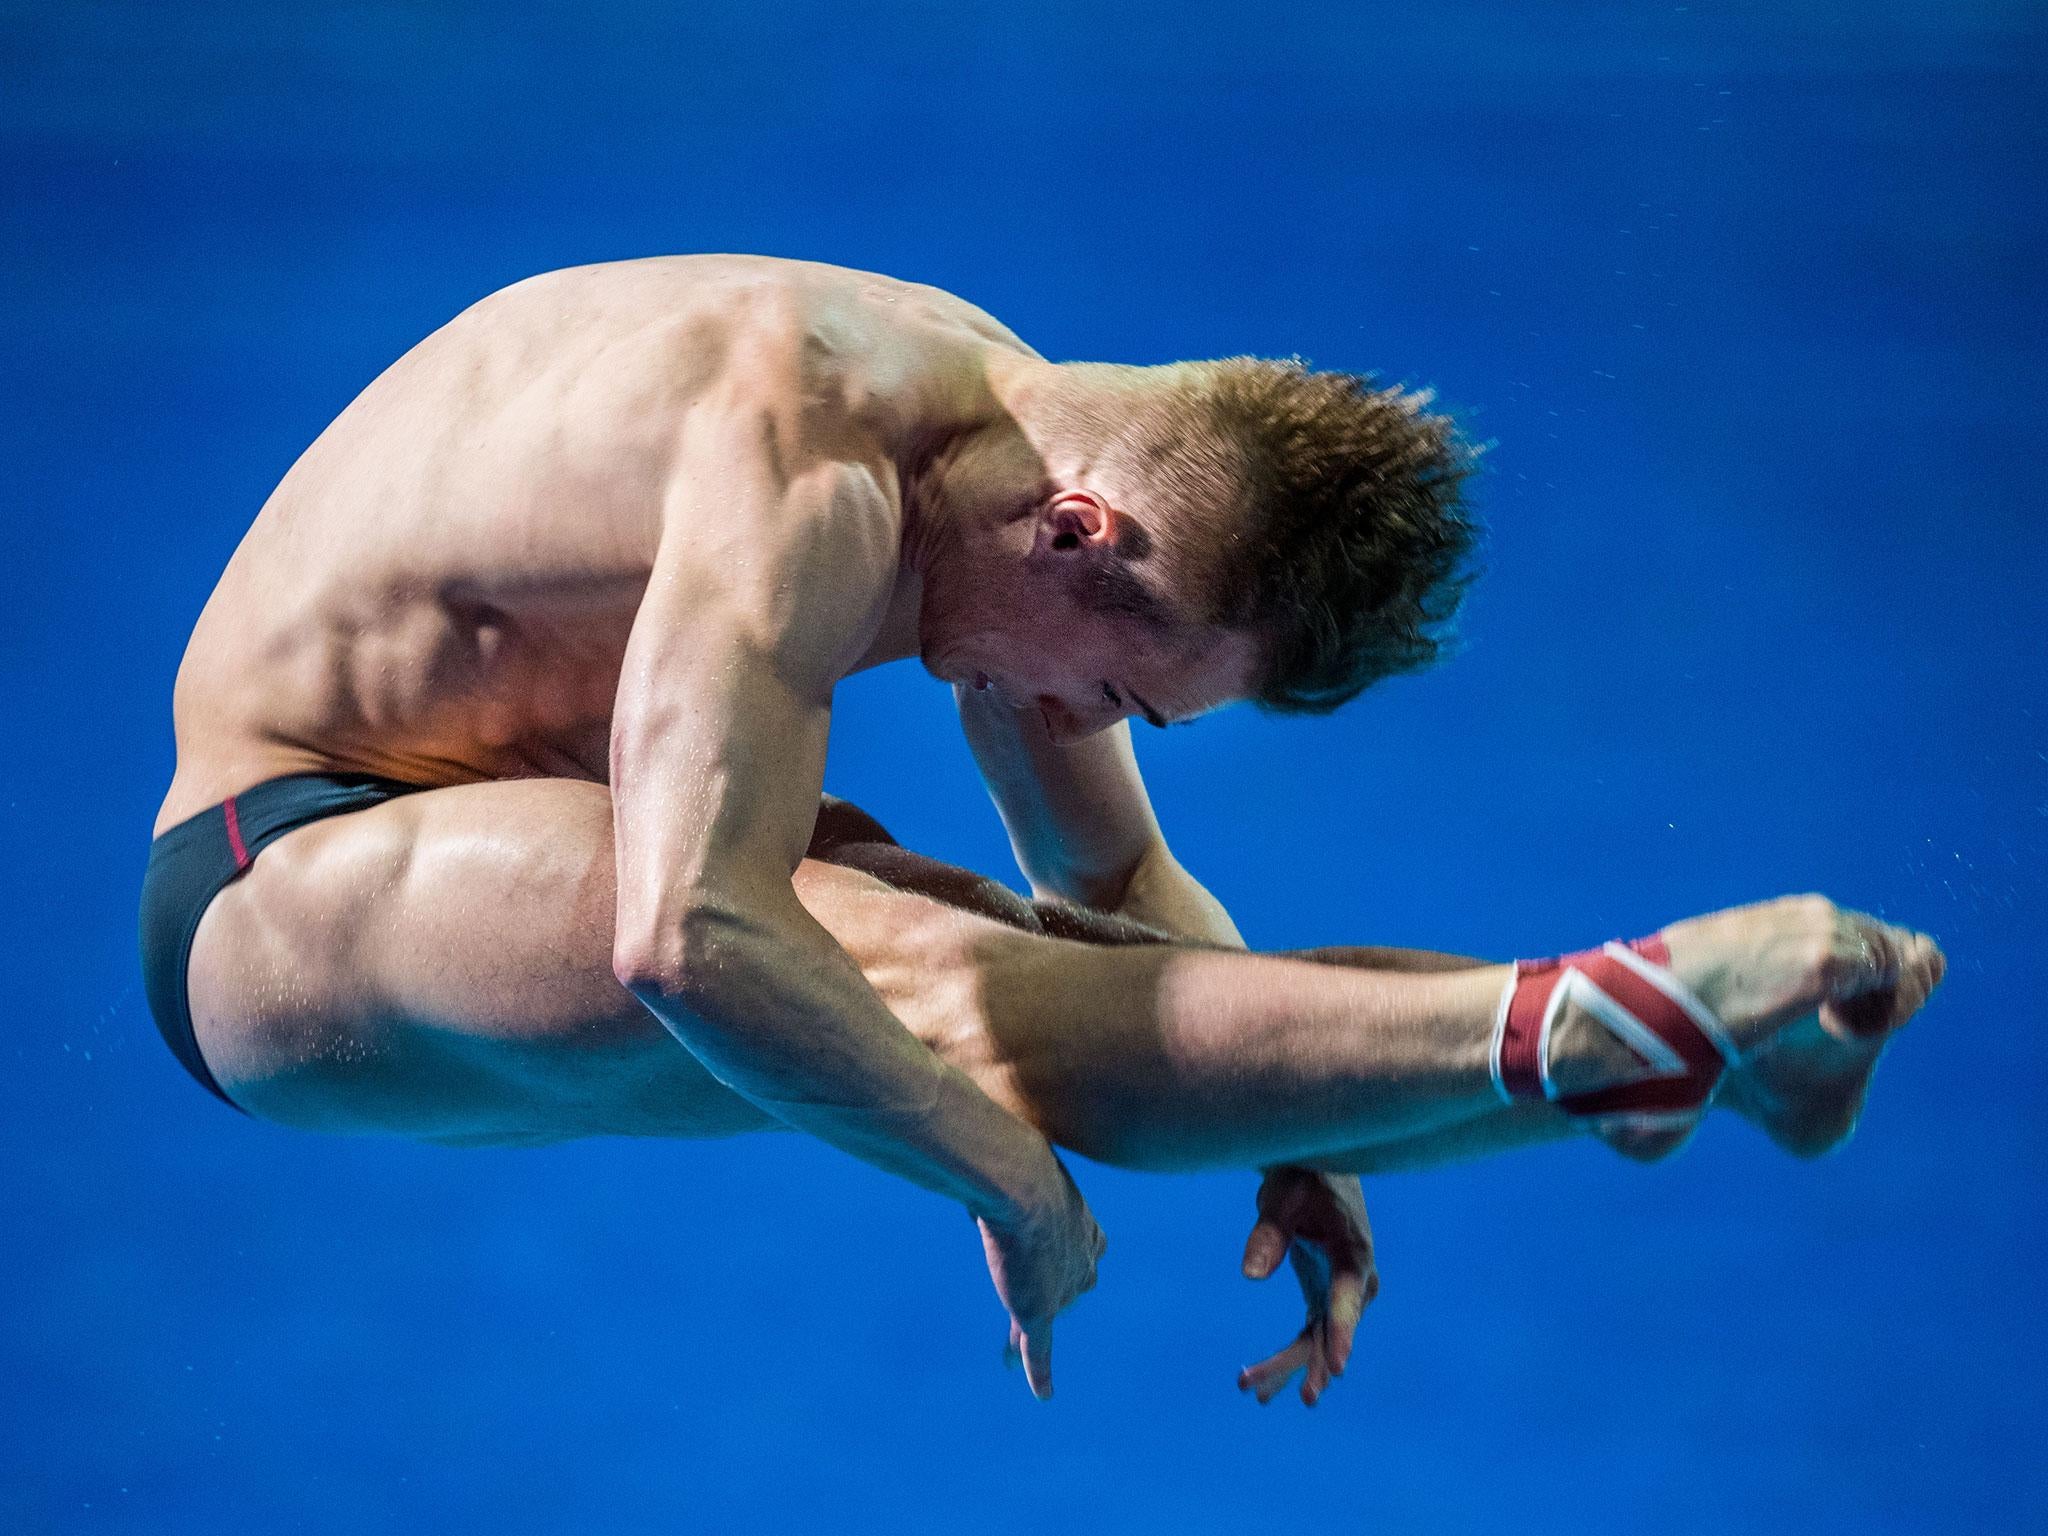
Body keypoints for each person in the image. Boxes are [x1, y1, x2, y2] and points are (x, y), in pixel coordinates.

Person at [139, 254, 1945, 1407]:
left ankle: (1606, 1052)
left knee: (1036, 964)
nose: (1078, 729)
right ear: (1080, 536)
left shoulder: (1001, 438)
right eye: (1125, 696)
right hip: (280, 883)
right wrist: (997, 1177)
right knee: (923, 987)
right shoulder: (804, 450)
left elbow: (1118, 889)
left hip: (531, 814)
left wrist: (1314, 1132)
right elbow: (687, 935)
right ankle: (1618, 1027)